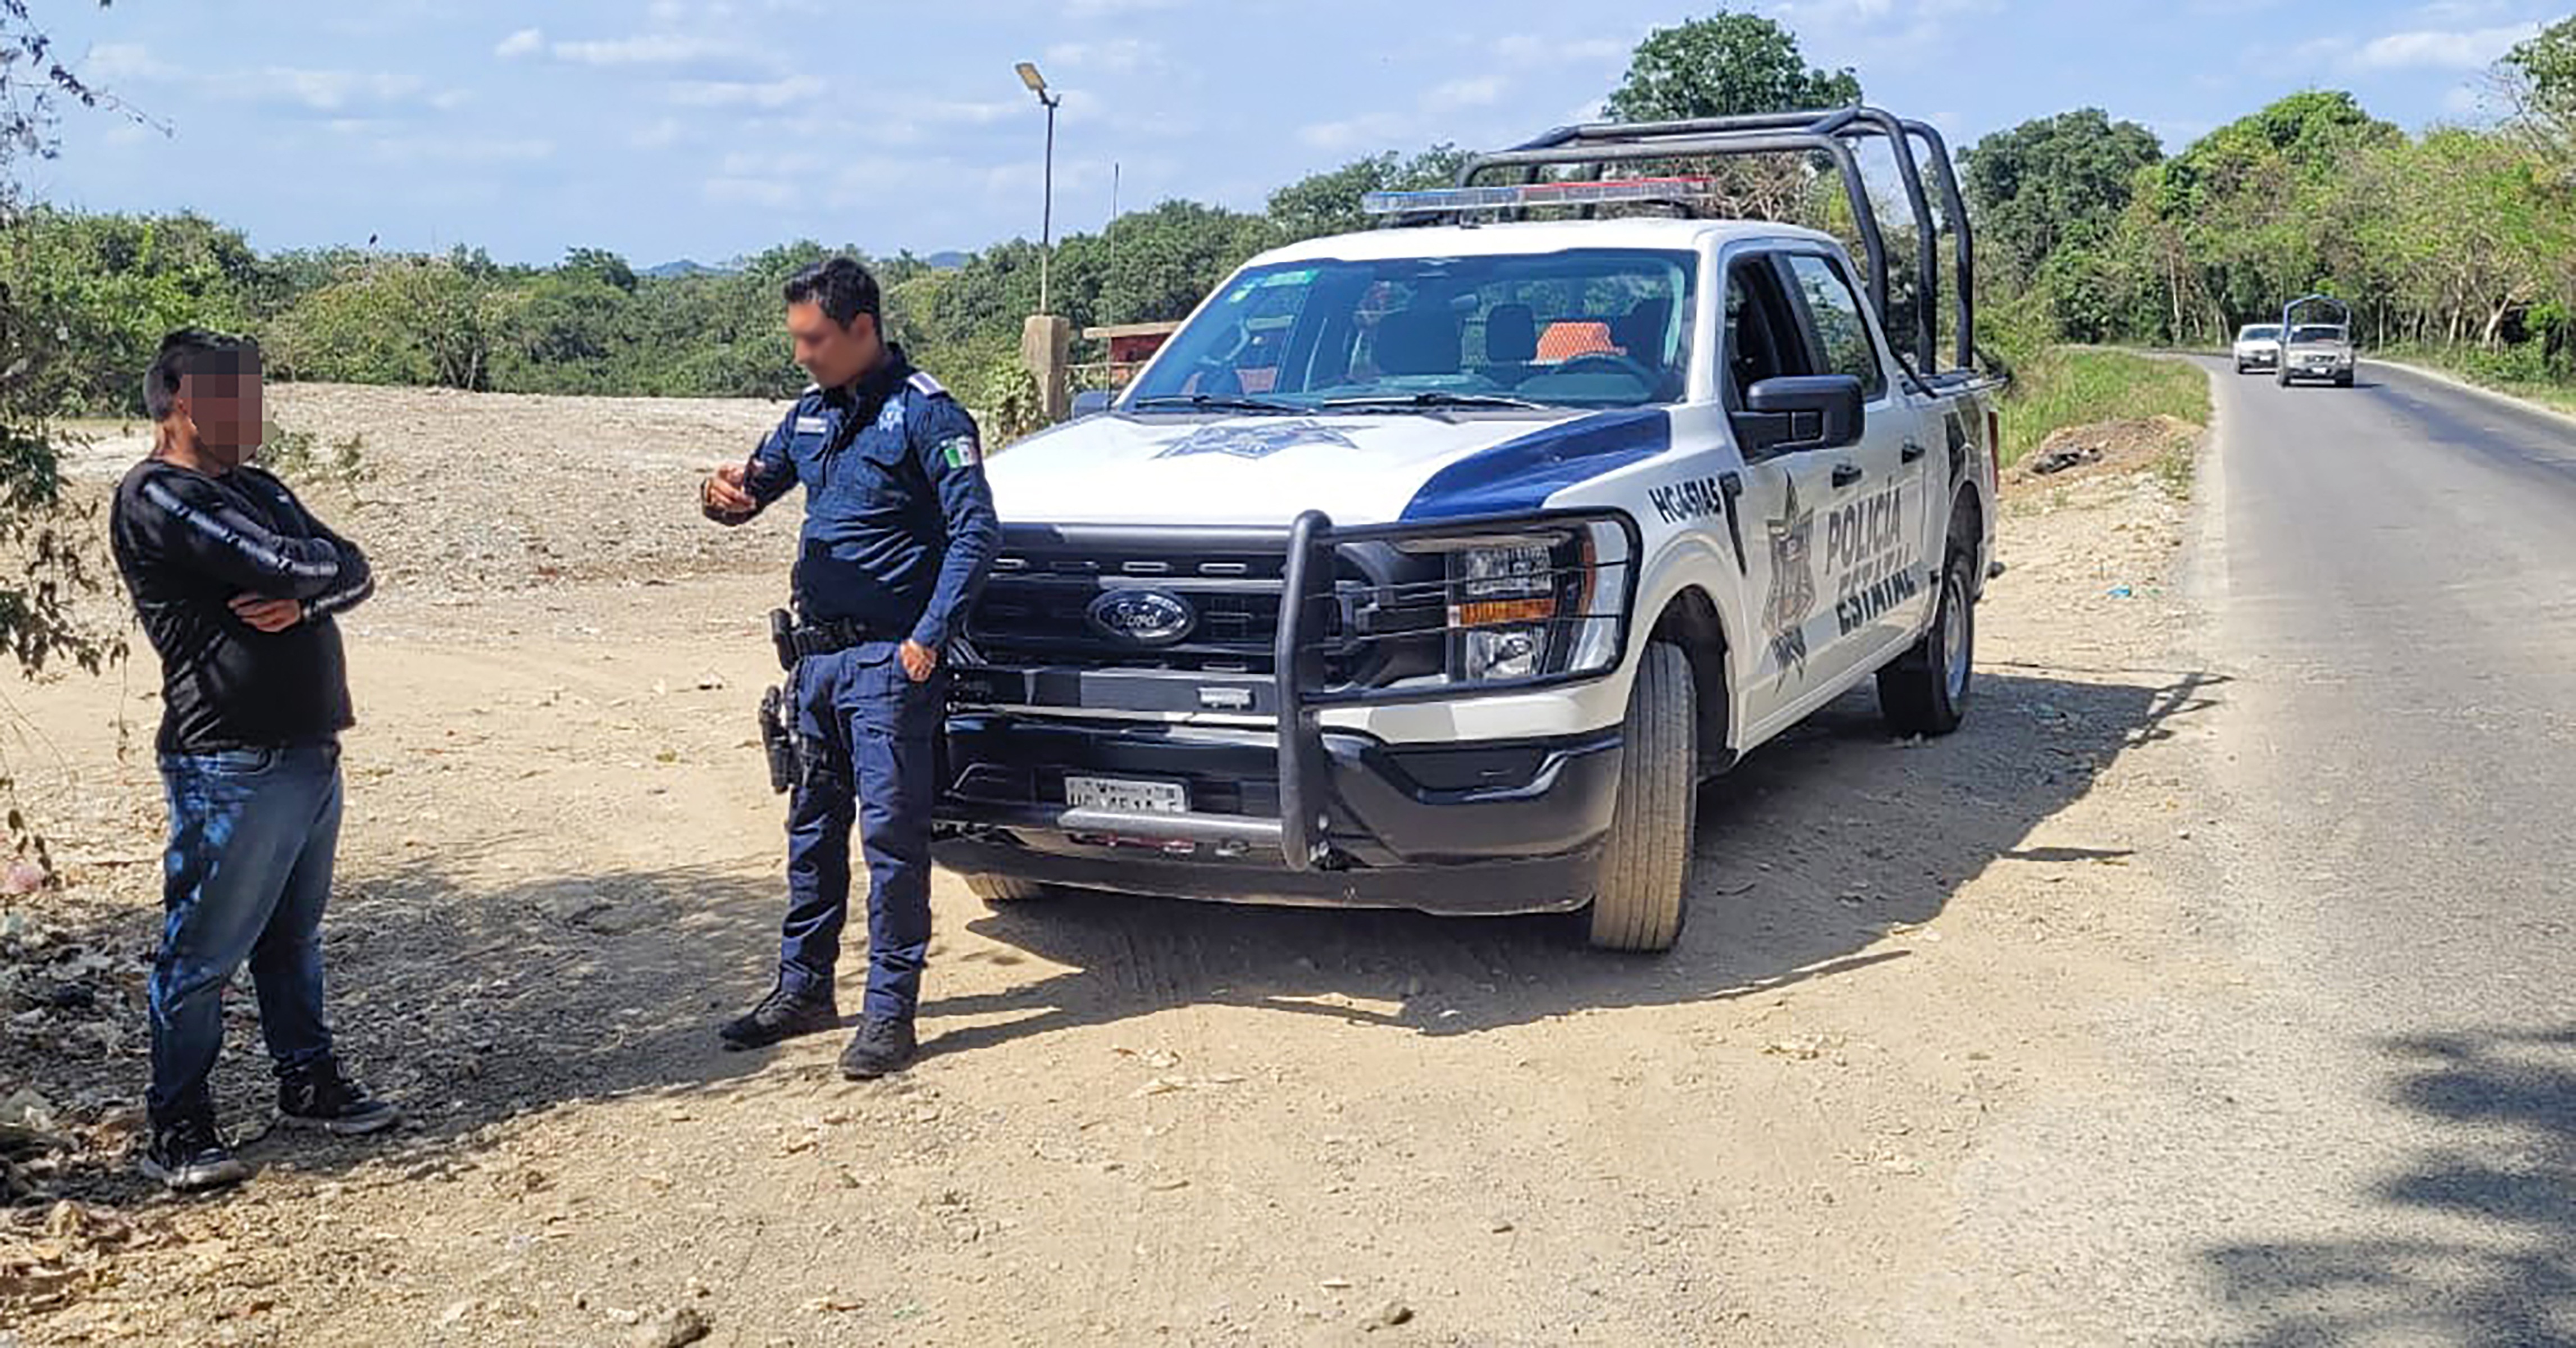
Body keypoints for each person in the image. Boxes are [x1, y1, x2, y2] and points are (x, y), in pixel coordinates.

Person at [108, 330, 398, 1193]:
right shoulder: (158, 495)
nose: (253, 412)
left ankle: (308, 1081)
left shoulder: (261, 488)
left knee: (292, 938)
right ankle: (178, 1125)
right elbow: (276, 562)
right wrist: (311, 577)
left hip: (309, 750)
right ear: (182, 400)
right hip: (229, 759)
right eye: (235, 395)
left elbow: (355, 569)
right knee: (202, 953)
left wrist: (306, 602)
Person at [701, 257, 999, 1079]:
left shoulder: (928, 415)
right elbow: (749, 491)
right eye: (797, 338)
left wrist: (929, 636)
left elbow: (977, 533)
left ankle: (890, 1015)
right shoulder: (810, 414)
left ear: (862, 328)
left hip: (890, 663)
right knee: (812, 833)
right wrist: (721, 497)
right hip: (817, 664)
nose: (802, 354)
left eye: (815, 339)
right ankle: (803, 991)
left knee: (892, 845)